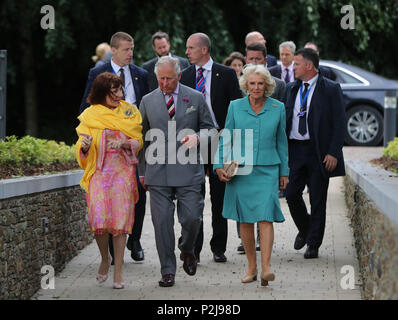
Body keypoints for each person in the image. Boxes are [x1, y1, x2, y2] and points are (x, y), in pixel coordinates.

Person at [138, 56, 215, 287]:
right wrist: (142, 172)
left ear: (179, 76)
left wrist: (198, 137)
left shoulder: (196, 97)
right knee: (161, 223)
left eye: (169, 79)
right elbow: (140, 139)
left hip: (189, 169)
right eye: (160, 78)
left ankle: (188, 248)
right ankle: (168, 271)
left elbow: (211, 129)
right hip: (157, 171)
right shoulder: (147, 101)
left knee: (192, 218)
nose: (164, 83)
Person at [214, 64, 289, 286]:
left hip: (268, 169)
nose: (256, 87)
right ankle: (252, 267)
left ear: (267, 85)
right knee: (245, 220)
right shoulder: (235, 107)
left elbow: (282, 141)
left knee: (266, 216)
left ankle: (266, 268)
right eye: (252, 83)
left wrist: (284, 171)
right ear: (246, 85)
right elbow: (225, 138)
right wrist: (219, 164)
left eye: (260, 83)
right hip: (241, 171)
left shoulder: (278, 107)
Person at [80, 31, 150, 265]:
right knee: (108, 200)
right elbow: (86, 104)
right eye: (127, 49)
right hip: (106, 149)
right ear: (115, 50)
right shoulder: (97, 73)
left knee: (137, 193)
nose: (131, 53)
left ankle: (136, 240)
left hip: (133, 139)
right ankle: (110, 251)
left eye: (132, 49)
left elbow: (147, 106)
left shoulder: (141, 74)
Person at [76, 72, 143, 289]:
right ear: (101, 93)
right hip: (99, 173)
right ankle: (105, 259)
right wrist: (85, 147)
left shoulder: (130, 111)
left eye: (120, 90)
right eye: (112, 92)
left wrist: (126, 143)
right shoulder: (90, 115)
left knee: (120, 224)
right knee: (99, 221)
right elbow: (82, 145)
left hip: (123, 173)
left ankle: (119, 271)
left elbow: (138, 139)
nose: (118, 95)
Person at [180, 32, 242, 263]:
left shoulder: (225, 75)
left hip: (220, 140)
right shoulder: (184, 76)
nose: (187, 52)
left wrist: (234, 143)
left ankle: (219, 247)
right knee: (194, 197)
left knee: (219, 196)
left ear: (203, 49)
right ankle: (193, 249)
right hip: (193, 141)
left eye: (190, 48)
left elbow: (235, 109)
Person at [284, 48, 345, 259]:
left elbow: (339, 122)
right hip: (295, 150)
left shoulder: (330, 88)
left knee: (317, 199)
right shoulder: (291, 88)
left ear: (309, 66)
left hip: (318, 151)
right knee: (291, 194)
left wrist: (333, 152)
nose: (294, 68)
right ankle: (307, 227)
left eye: (297, 64)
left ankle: (313, 243)